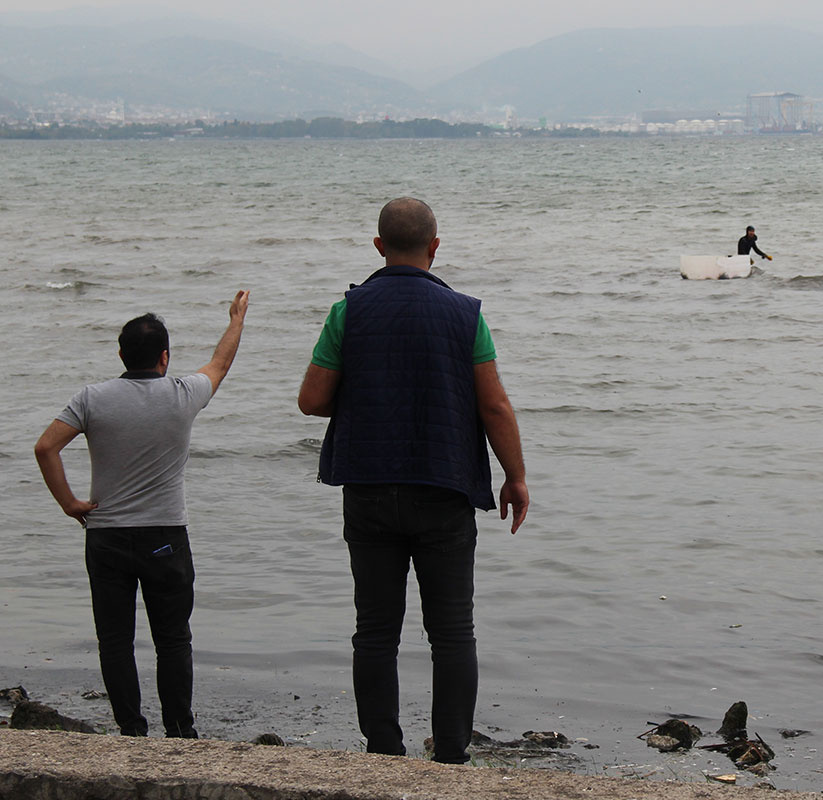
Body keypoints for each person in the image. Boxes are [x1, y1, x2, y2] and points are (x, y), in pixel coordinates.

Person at [297, 197, 529, 764]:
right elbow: (494, 406)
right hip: (444, 489)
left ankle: (383, 750)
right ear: (435, 246)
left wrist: (368, 393)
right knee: (452, 633)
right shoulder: (466, 314)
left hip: (369, 491)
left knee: (375, 631)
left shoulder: (347, 311)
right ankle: (450, 754)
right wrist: (515, 476)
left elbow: (312, 400)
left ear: (378, 247)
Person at [34, 291, 250, 739]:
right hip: (166, 536)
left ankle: (131, 730)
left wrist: (70, 503)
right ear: (165, 357)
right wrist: (236, 319)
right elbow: (220, 363)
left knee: (115, 641)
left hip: (107, 535)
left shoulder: (92, 398)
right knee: (172, 638)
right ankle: (179, 728)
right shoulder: (183, 394)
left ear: (120, 354)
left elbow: (45, 447)